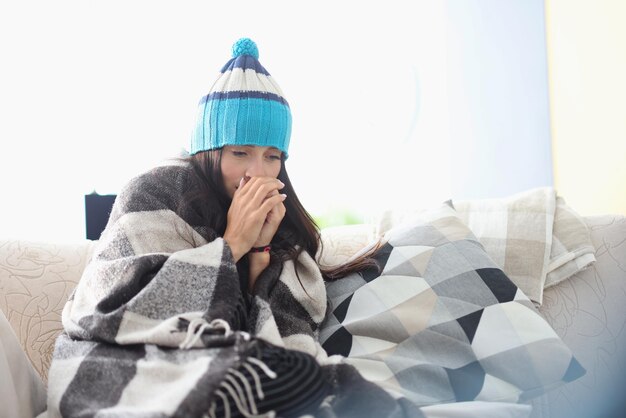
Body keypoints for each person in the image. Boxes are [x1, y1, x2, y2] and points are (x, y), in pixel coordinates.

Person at [46, 38, 404, 418]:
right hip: (124, 361)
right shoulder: (154, 192)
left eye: (272, 157)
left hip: (224, 356)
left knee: (323, 381)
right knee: (272, 380)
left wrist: (259, 251)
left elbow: (256, 326)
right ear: (209, 149)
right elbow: (112, 303)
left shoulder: (281, 221)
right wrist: (232, 243)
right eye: (240, 153)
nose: (258, 172)